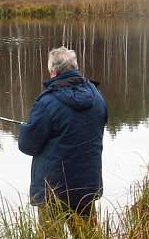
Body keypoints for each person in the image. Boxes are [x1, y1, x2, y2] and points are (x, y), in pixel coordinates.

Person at [17, 46, 108, 217]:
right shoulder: (96, 96)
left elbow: (27, 145)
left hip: (53, 190)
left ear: (54, 72)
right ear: (75, 67)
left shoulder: (47, 102)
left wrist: (25, 127)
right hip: (86, 186)